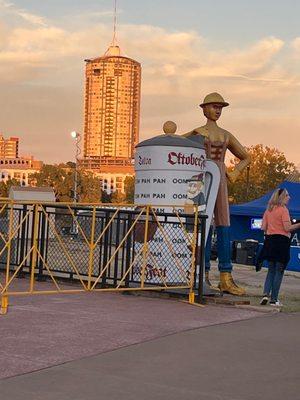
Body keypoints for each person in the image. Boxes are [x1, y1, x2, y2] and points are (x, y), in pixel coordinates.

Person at [184, 93, 251, 295]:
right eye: (214, 106)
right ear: (204, 109)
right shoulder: (197, 132)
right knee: (198, 222)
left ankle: (225, 276)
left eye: (220, 107)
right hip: (199, 177)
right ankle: (200, 274)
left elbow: (246, 157)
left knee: (223, 223)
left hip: (219, 177)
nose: (218, 110)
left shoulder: (226, 135)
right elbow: (175, 143)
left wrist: (234, 172)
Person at [259, 188, 300, 306]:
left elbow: (263, 227)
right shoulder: (283, 210)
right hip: (281, 242)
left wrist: (272, 228)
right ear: (282, 197)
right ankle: (274, 299)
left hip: (270, 241)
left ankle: (265, 294)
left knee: (271, 270)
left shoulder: (268, 210)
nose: (289, 197)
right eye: (287, 195)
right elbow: (287, 228)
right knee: (279, 270)